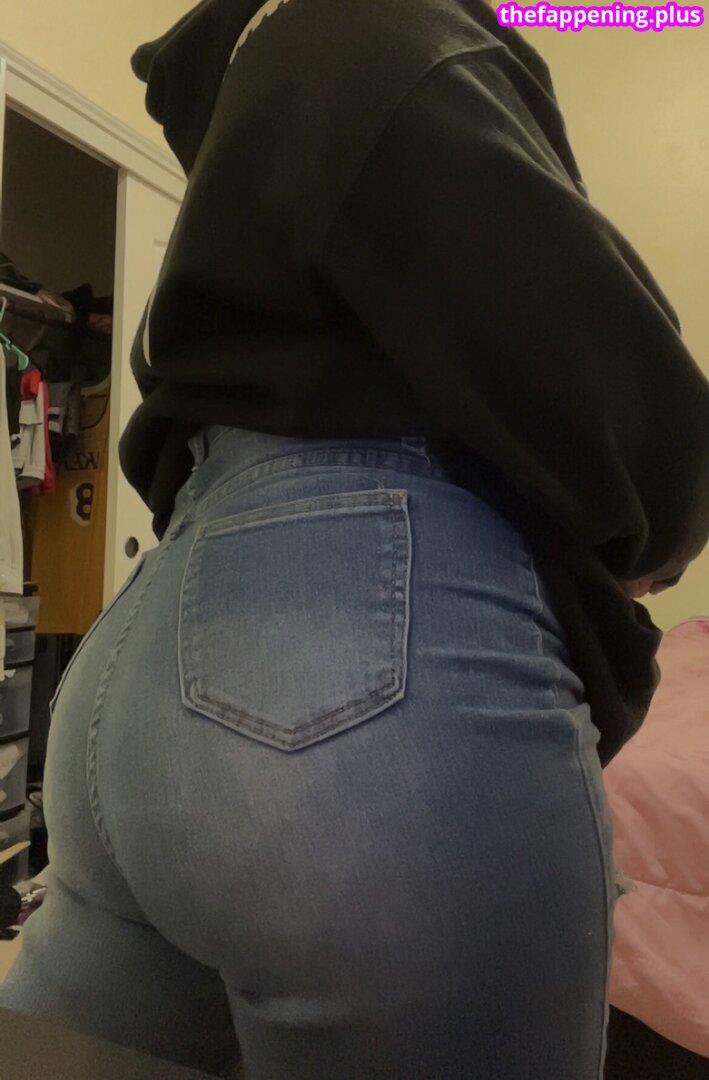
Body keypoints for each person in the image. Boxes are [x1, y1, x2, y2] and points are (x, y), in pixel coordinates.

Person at [2, 2, 708, 1078]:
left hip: (139, 664)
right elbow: (594, 354)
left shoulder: (255, 100)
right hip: (359, 653)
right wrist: (665, 512)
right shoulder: (385, 28)